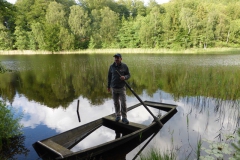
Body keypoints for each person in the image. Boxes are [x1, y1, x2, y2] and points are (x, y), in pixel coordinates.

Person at [107, 53, 131, 124]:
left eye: (117, 58)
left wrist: (125, 77)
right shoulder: (111, 67)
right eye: (115, 58)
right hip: (114, 88)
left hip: (121, 88)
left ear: (121, 59)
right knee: (116, 103)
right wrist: (108, 86)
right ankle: (118, 115)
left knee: (123, 102)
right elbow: (109, 77)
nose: (116, 59)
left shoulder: (124, 66)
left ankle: (124, 117)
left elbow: (128, 75)